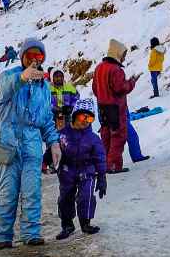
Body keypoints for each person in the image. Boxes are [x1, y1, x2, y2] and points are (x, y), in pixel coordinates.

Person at [0, 38, 61, 248]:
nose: (34, 59)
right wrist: (22, 78)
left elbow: (46, 118)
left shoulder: (44, 87)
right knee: (7, 193)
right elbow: (6, 88)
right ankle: (3, 237)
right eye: (30, 55)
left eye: (38, 55)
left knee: (32, 191)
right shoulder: (8, 76)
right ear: (22, 56)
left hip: (32, 145)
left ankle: (31, 233)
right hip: (5, 142)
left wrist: (53, 141)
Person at [56, 99, 107, 238]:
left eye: (89, 118)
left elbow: (100, 158)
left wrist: (102, 176)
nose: (86, 121)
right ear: (74, 115)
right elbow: (53, 149)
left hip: (86, 169)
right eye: (82, 116)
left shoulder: (93, 138)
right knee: (66, 197)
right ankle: (67, 224)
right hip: (67, 170)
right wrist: (46, 161)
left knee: (86, 196)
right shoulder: (63, 134)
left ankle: (85, 223)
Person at [92, 39, 140, 174]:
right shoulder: (116, 70)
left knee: (105, 136)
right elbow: (120, 88)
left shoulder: (99, 67)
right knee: (118, 137)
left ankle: (103, 164)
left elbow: (95, 89)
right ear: (117, 53)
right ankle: (113, 165)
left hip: (102, 107)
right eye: (123, 54)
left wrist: (103, 95)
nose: (124, 57)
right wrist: (131, 82)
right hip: (116, 108)